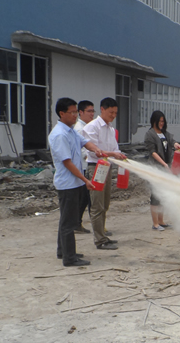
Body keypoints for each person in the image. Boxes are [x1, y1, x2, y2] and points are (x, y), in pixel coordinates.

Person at [48, 97, 103, 267]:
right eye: (71, 112)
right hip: (68, 184)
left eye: (75, 112)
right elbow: (67, 162)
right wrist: (85, 179)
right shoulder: (59, 135)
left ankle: (63, 251)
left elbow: (85, 142)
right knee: (69, 222)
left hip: (75, 183)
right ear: (61, 113)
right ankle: (69, 258)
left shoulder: (71, 131)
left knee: (67, 219)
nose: (74, 116)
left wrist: (97, 149)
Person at [82, 97, 127, 250]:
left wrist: (119, 156)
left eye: (115, 113)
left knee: (105, 204)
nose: (113, 115)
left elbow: (115, 149)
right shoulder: (92, 127)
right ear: (102, 109)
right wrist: (113, 154)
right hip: (96, 168)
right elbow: (93, 151)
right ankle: (100, 240)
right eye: (111, 112)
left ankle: (103, 235)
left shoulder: (111, 129)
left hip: (106, 168)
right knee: (97, 205)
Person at [144, 110, 180, 231]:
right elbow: (153, 152)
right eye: (159, 121)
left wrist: (176, 144)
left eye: (163, 121)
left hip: (165, 168)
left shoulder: (165, 133)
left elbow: (172, 141)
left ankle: (161, 221)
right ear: (154, 121)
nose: (161, 123)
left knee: (162, 195)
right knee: (155, 196)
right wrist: (163, 163)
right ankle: (155, 223)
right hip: (155, 169)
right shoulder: (150, 134)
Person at [72, 100, 95, 235]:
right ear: (81, 112)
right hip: (84, 167)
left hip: (86, 166)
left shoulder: (87, 127)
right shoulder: (80, 129)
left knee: (86, 198)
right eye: (89, 111)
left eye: (93, 111)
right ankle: (78, 223)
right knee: (86, 197)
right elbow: (82, 150)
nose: (92, 114)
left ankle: (78, 223)